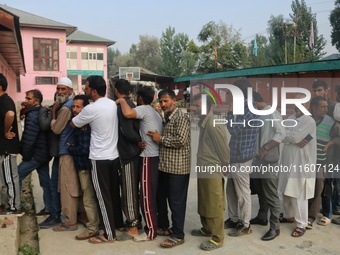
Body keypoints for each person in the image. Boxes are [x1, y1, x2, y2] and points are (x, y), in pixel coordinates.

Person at [71, 75, 121, 244]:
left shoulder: (91, 109)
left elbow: (74, 123)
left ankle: (108, 234)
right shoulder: (112, 104)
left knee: (102, 197)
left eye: (86, 88)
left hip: (98, 158)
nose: (84, 91)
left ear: (93, 90)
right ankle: (114, 226)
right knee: (112, 195)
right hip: (114, 157)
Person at [116, 85, 162, 242]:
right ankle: (152, 227)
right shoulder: (155, 113)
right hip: (154, 157)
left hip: (148, 158)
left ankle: (150, 232)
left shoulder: (144, 109)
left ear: (140, 98)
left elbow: (128, 113)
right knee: (149, 195)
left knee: (146, 197)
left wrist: (122, 100)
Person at [147, 89, 190, 248]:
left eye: (166, 101)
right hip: (165, 166)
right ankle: (167, 227)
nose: (163, 104)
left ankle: (178, 234)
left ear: (174, 100)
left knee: (176, 202)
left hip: (178, 168)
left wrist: (160, 138)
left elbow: (181, 140)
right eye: (161, 101)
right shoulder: (166, 117)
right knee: (162, 198)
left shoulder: (181, 117)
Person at [190, 93, 230, 251]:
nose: (194, 108)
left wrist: (226, 165)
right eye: (194, 105)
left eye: (198, 105)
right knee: (205, 199)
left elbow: (223, 147)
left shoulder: (213, 123)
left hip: (213, 168)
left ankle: (218, 237)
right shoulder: (204, 121)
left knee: (214, 201)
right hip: (204, 167)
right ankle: (207, 229)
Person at [224, 79, 259, 237]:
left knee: (243, 192)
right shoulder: (244, 106)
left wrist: (230, 112)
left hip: (242, 156)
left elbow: (232, 129)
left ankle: (245, 224)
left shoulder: (249, 109)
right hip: (235, 154)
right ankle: (233, 218)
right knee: (230, 189)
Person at [278, 94, 316, 237]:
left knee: (298, 193)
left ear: (307, 106)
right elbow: (282, 135)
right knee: (285, 191)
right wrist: (290, 137)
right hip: (288, 159)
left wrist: (289, 136)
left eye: (302, 104)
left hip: (301, 162)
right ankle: (289, 216)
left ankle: (302, 224)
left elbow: (293, 137)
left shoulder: (309, 121)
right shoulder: (290, 119)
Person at [250, 92, 285, 241]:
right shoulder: (259, 114)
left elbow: (281, 133)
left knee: (271, 193)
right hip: (258, 159)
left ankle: (275, 227)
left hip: (268, 160)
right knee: (260, 190)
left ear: (256, 102)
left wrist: (265, 148)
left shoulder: (272, 113)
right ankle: (262, 217)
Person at [49, 77, 81, 232]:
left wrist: (54, 112)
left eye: (63, 89)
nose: (60, 92)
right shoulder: (72, 104)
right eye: (58, 89)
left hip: (66, 152)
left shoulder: (66, 108)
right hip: (73, 150)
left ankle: (69, 221)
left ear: (70, 91)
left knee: (68, 186)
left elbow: (56, 129)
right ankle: (79, 215)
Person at [68, 94, 100, 240]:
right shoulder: (80, 123)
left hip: (86, 166)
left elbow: (84, 148)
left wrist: (71, 148)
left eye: (78, 107)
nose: (74, 109)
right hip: (84, 165)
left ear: (85, 108)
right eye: (73, 106)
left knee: (88, 198)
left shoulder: (84, 126)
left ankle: (92, 227)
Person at [113, 79, 142, 239]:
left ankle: (133, 226)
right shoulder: (132, 105)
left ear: (116, 91)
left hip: (128, 154)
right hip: (132, 153)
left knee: (129, 191)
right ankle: (135, 221)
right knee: (130, 189)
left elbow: (127, 132)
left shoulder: (122, 107)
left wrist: (137, 141)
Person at [18, 90, 51, 217]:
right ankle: (49, 207)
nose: (26, 100)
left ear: (36, 101)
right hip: (43, 154)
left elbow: (29, 138)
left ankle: (16, 205)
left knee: (17, 176)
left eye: (29, 98)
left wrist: (26, 156)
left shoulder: (33, 115)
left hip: (35, 155)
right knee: (45, 182)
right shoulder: (42, 113)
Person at [308, 96, 340, 228]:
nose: (326, 109)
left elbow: (339, 137)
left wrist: (330, 143)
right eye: (323, 107)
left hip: (322, 161)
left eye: (327, 106)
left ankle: (311, 216)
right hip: (307, 160)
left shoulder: (332, 122)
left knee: (319, 188)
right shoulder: (308, 120)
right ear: (314, 107)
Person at [0, 73, 22, 215]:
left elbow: (10, 114)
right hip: (3, 149)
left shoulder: (4, 100)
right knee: (5, 179)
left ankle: (15, 208)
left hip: (7, 148)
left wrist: (6, 131)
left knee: (9, 179)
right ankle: (8, 205)